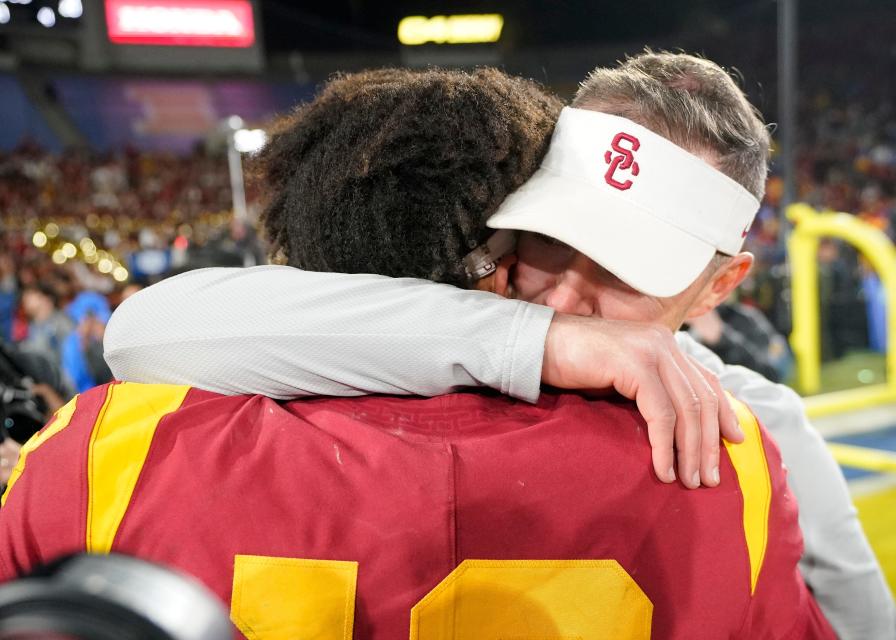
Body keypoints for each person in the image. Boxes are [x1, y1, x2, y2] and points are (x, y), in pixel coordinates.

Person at [2, 67, 832, 640]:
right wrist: (533, 340)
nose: (569, 301)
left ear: (723, 284)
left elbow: (144, 330)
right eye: (545, 244)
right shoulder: (737, 461)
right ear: (489, 234)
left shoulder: (109, 445)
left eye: (624, 274)